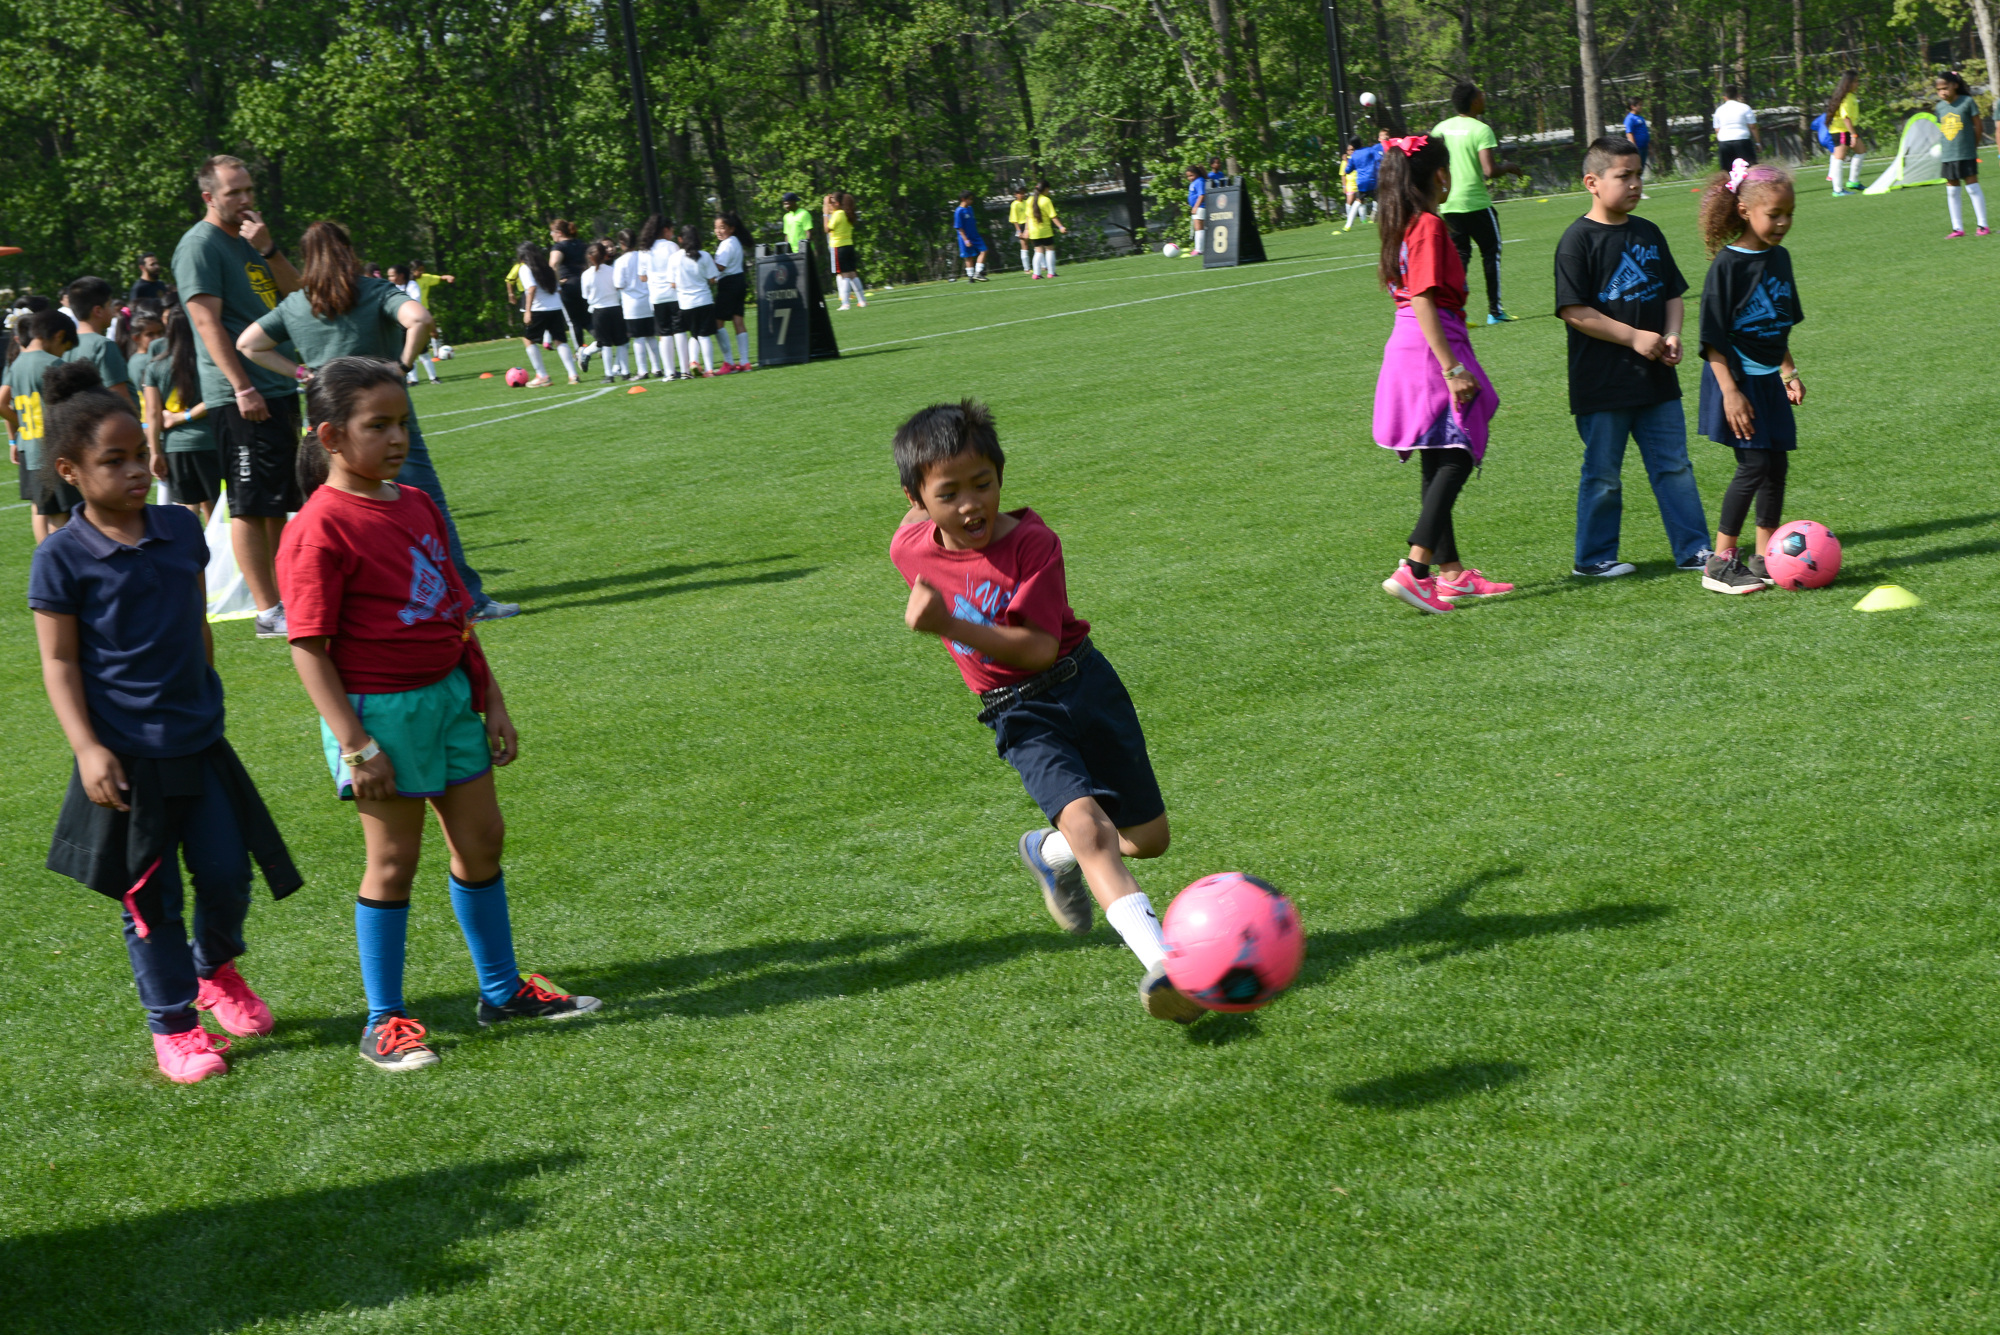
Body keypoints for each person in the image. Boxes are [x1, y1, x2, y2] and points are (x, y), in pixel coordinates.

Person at [277, 357, 600, 1071]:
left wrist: (492, 700)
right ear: (330, 436)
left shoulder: (417, 503)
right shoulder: (318, 527)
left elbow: (456, 614)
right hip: (379, 717)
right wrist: (357, 745)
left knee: (483, 840)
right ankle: (384, 1020)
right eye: (378, 426)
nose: (397, 438)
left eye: (402, 422)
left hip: (451, 697)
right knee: (393, 862)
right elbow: (308, 648)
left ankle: (501, 992)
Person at [888, 399, 1203, 1024]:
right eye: (949, 494)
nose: (971, 505)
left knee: (1147, 839)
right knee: (1091, 827)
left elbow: (1036, 647)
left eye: (983, 484)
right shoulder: (908, 546)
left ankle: (1050, 853)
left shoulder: (1034, 544)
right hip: (1018, 712)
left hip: (1084, 683)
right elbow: (915, 521)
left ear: (1001, 475)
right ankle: (1165, 967)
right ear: (916, 499)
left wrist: (948, 623)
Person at [30, 360, 300, 1085]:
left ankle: (215, 969)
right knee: (150, 900)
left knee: (228, 875)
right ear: (70, 471)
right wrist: (88, 748)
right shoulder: (60, 558)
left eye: (140, 454)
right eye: (113, 460)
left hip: (200, 741)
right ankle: (174, 1026)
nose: (136, 470)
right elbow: (59, 661)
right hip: (128, 759)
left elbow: (194, 620)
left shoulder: (182, 528)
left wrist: (204, 691)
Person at [236, 219, 519, 622]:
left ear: (306, 259)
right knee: (427, 507)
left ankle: (351, 603)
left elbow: (248, 343)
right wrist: (400, 367)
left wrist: (303, 374)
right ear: (349, 252)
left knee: (337, 515)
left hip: (328, 425)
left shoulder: (297, 304)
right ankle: (467, 600)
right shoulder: (373, 291)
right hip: (385, 417)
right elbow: (420, 319)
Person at [1369, 133, 1511, 614]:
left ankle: (1451, 576)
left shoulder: (1403, 223)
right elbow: (1424, 297)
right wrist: (1452, 368)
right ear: (1439, 175)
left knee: (1438, 453)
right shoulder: (1428, 224)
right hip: (1431, 345)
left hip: (1409, 342)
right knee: (1458, 450)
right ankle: (1415, 568)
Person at [1555, 137, 1709, 580]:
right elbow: (1575, 311)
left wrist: (1673, 333)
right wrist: (1634, 337)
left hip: (1656, 381)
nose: (1636, 184)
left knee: (1674, 466)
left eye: (1639, 174)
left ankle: (1694, 550)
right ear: (1593, 182)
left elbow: (1672, 294)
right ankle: (1594, 558)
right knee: (1603, 474)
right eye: (1624, 176)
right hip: (1603, 384)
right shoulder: (1577, 241)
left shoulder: (1648, 232)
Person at [171, 153, 303, 641]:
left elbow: (299, 296)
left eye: (249, 190)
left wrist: (269, 249)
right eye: (234, 193)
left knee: (277, 501)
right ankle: (268, 611)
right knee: (248, 504)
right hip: (242, 393)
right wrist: (241, 386)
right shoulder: (199, 245)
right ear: (209, 197)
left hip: (278, 384)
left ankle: (286, 600)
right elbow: (205, 322)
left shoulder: (251, 240)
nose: (246, 199)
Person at [1695, 162, 1804, 595]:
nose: (1782, 223)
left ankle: (1764, 556)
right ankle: (1720, 562)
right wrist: (1730, 393)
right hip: (1735, 381)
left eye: (1789, 214)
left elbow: (1778, 323)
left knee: (1776, 464)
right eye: (1774, 214)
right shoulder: (1727, 266)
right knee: (1754, 464)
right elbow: (1712, 340)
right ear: (1744, 210)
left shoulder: (1780, 259)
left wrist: (1789, 371)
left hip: (1769, 379)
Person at [1431, 85, 1521, 324]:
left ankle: (1456, 312)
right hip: (1476, 202)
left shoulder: (1440, 129)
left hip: (1449, 203)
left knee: (1460, 257)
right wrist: (1508, 167)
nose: (1484, 97)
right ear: (1474, 102)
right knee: (1491, 253)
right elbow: (1489, 171)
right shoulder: (1481, 129)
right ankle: (1495, 312)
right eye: (1481, 95)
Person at [2, 309, 82, 542]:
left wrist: (23, 424)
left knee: (45, 511)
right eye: (65, 347)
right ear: (59, 336)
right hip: (55, 450)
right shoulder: (54, 364)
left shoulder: (17, 363)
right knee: (63, 516)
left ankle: (47, 558)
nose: (64, 353)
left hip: (30, 449)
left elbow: (1, 402)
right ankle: (60, 561)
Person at [141, 304, 221, 521]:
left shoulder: (154, 366)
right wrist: (186, 416)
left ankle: (191, 543)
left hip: (175, 447)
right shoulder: (208, 361)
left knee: (186, 509)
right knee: (217, 509)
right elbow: (215, 399)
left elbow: (152, 414)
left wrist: (155, 452)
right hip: (209, 442)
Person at [61, 277, 134, 409]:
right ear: (98, 311)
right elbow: (120, 398)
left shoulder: (66, 346)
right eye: (109, 305)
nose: (112, 311)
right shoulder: (103, 345)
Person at [514, 241, 579, 387]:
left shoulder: (525, 268)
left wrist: (528, 311)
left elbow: (531, 288)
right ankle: (573, 375)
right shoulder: (547, 268)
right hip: (555, 307)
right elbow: (558, 289)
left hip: (539, 309)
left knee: (528, 340)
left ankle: (542, 376)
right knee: (560, 340)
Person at [1936, 71, 1988, 238]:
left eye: (1945, 88)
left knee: (1972, 188)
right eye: (1939, 90)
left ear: (1955, 85)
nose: (1942, 92)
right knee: (1952, 191)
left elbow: (1978, 126)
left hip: (1966, 153)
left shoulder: (1967, 101)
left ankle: (1983, 226)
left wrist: (1974, 146)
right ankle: (1957, 228)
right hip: (1948, 155)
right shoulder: (1939, 107)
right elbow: (1942, 129)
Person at [667, 225, 724, 377]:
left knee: (694, 334)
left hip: (686, 304)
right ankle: (709, 369)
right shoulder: (704, 256)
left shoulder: (674, 258)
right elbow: (712, 279)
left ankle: (693, 361)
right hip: (704, 301)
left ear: (680, 239)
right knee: (704, 336)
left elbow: (672, 284)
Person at [546, 219, 596, 368]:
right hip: (584, 283)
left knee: (573, 322)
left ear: (559, 233)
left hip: (568, 286)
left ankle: (580, 351)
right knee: (587, 319)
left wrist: (556, 284)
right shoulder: (581, 244)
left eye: (552, 232)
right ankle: (602, 340)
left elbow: (553, 264)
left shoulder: (559, 246)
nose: (551, 235)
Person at [612, 229, 660, 379]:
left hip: (632, 304)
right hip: (649, 300)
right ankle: (657, 368)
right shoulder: (644, 255)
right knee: (651, 336)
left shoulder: (621, 261)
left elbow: (618, 284)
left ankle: (642, 370)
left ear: (622, 243)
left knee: (638, 338)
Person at [582, 241, 630, 381]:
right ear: (605, 256)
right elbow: (618, 287)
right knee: (621, 341)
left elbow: (585, 295)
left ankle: (609, 375)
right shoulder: (612, 271)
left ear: (590, 257)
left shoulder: (586, 275)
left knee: (605, 344)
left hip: (599, 311)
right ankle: (625, 372)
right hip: (615, 308)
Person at [712, 214, 753, 370]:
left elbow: (720, 267)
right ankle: (745, 362)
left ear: (731, 228)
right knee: (738, 322)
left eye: (722, 228)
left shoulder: (726, 244)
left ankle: (728, 362)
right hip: (739, 281)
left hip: (728, 284)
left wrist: (705, 261)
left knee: (717, 323)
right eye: (716, 228)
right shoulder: (735, 241)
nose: (718, 231)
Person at [825, 193, 866, 308]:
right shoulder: (847, 213)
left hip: (839, 247)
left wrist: (825, 213)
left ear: (838, 203)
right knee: (853, 274)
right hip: (849, 245)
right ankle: (862, 301)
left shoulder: (837, 214)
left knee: (844, 276)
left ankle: (845, 304)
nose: (830, 204)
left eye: (832, 202)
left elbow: (827, 228)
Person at [1825, 71, 1863, 195]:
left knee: (1861, 151)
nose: (1858, 84)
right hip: (1841, 130)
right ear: (1848, 83)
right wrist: (1853, 135)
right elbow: (1845, 118)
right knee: (1839, 158)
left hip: (1846, 130)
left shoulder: (1850, 96)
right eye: (1855, 81)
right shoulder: (1846, 98)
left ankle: (1853, 181)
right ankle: (1838, 190)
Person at [1024, 180, 1066, 279]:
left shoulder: (1029, 200)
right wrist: (1061, 227)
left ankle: (1036, 274)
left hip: (1033, 231)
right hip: (1045, 230)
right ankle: (1051, 273)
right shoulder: (1046, 200)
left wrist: (1026, 230)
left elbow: (1028, 216)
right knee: (1050, 249)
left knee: (1038, 251)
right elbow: (1053, 216)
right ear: (1046, 189)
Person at [1712, 85, 1759, 170]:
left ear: (1725, 97)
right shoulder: (1745, 108)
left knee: (1728, 171)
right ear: (1738, 95)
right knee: (1749, 170)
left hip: (1724, 142)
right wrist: (1758, 143)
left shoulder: (1719, 110)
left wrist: (1722, 144)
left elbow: (1717, 130)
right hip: (1742, 141)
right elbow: (1753, 127)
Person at [1344, 133, 1385, 230]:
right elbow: (1380, 158)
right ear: (1361, 142)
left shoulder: (1354, 156)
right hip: (1372, 181)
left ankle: (1347, 225)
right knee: (1382, 200)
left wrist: (1347, 161)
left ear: (1352, 146)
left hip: (1362, 183)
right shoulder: (1370, 150)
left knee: (1358, 201)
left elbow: (1348, 170)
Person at [952, 193, 989, 282]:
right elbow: (959, 227)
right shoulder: (959, 211)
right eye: (969, 199)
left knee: (984, 250)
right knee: (969, 256)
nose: (971, 201)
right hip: (965, 238)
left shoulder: (970, 209)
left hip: (975, 236)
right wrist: (966, 240)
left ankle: (978, 272)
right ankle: (971, 277)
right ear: (963, 199)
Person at [1622, 98, 1652, 196]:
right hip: (1637, 148)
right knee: (1636, 170)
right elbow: (1629, 133)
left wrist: (1649, 146)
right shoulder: (1630, 118)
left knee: (1641, 169)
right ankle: (1637, 191)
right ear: (1633, 106)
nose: (1641, 107)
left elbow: (1645, 133)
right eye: (1639, 105)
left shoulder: (1640, 118)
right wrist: (1634, 147)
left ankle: (1639, 190)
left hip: (1643, 147)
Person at [1184, 166, 1209, 256]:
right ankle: (1198, 248)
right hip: (1198, 207)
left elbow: (1201, 195)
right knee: (1198, 229)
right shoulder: (1195, 182)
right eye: (1188, 176)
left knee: (1199, 229)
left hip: (1200, 207)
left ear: (1197, 174)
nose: (1190, 178)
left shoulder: (1199, 181)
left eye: (1192, 175)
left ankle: (1199, 249)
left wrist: (1196, 207)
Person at [1008, 185, 1033, 273]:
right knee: (1024, 246)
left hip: (1030, 224)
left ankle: (1043, 265)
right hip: (1021, 225)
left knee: (1036, 244)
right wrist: (1019, 231)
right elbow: (1014, 219)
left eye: (1023, 193)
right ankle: (1026, 268)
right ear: (1016, 194)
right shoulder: (1014, 204)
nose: (1022, 195)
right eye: (1020, 193)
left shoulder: (1027, 202)